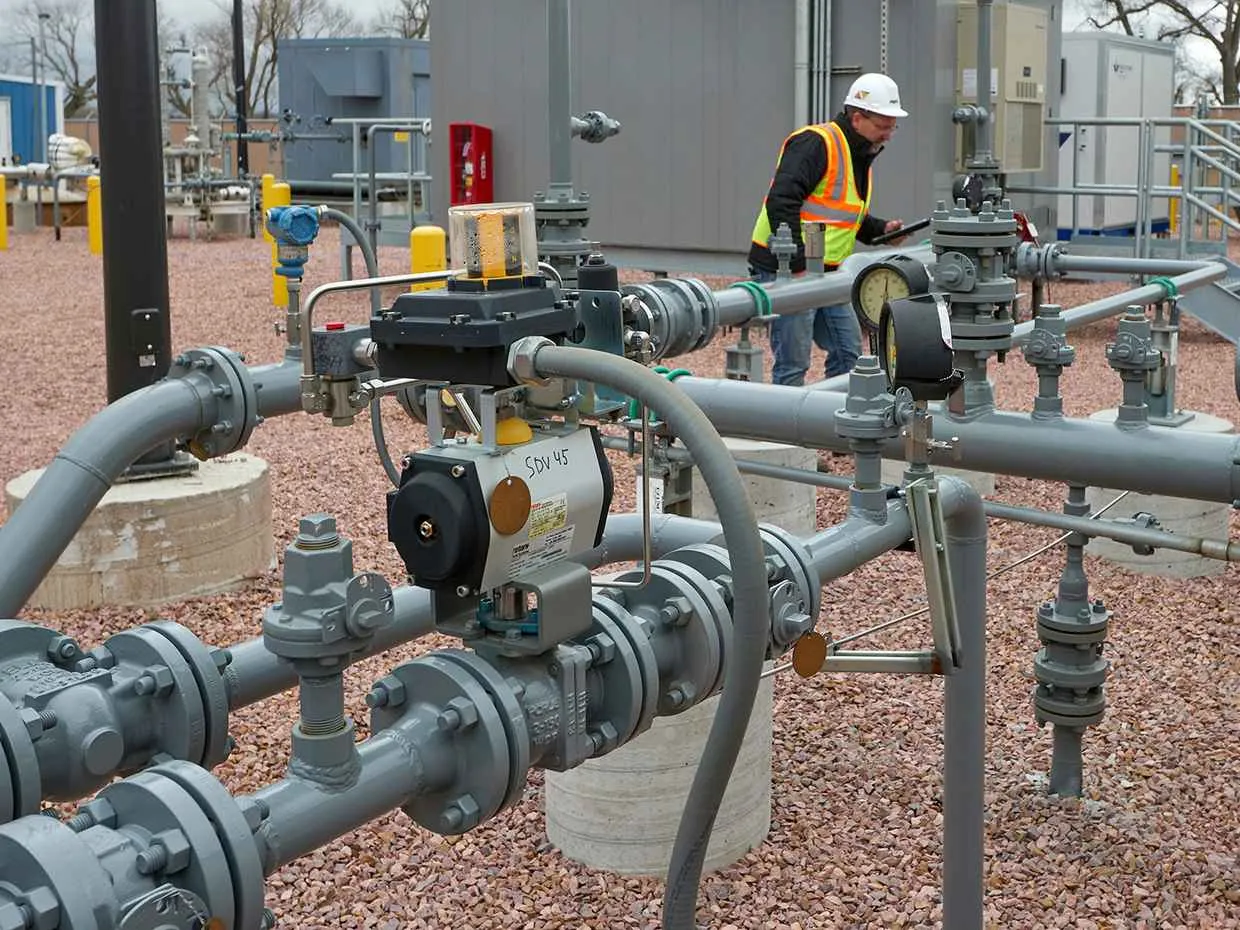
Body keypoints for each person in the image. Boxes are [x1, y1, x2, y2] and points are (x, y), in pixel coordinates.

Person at [748, 72, 910, 386]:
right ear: (858, 117)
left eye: (893, 127)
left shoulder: (858, 153)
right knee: (793, 363)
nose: (888, 135)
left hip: (826, 272)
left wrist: (881, 230)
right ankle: (785, 429)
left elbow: (841, 213)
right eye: (883, 126)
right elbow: (782, 201)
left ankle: (832, 425)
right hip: (790, 269)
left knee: (848, 354)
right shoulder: (816, 143)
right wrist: (795, 267)